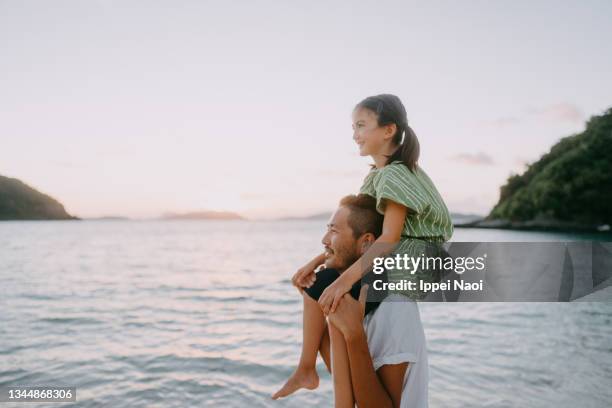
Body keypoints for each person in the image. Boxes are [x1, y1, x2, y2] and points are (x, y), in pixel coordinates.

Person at [273, 94, 453, 405]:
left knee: (332, 288)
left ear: (388, 130)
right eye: (352, 126)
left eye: (361, 125)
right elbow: (355, 232)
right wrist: (316, 262)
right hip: (399, 258)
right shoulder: (376, 176)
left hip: (421, 260)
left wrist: (343, 280)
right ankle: (307, 370)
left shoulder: (396, 174)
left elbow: (388, 239)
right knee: (319, 284)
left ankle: (322, 384)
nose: (354, 133)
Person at [274, 194, 429, 407]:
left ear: (366, 243)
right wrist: (318, 302)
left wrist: (354, 335)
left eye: (334, 231)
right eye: (327, 229)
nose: (324, 240)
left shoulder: (395, 306)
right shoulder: (353, 301)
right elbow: (344, 377)